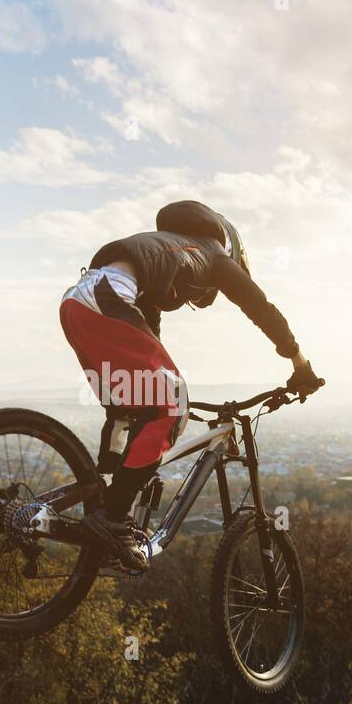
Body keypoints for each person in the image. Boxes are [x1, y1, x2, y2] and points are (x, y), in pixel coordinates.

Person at [59, 200, 321, 570]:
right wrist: (299, 362)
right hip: (106, 300)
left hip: (77, 303)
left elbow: (151, 337)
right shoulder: (213, 254)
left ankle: (104, 496)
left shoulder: (162, 253)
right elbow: (260, 306)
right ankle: (113, 517)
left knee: (127, 411)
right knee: (174, 404)